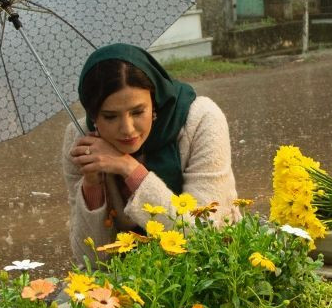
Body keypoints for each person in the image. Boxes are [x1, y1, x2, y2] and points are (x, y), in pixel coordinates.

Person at [63, 43, 239, 261]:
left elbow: (201, 235)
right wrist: (92, 185)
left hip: (211, 268)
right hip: (129, 277)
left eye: (138, 111)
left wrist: (130, 169)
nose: (127, 129)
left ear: (154, 102)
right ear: (93, 116)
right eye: (110, 116)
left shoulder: (201, 120)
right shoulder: (81, 141)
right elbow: (89, 259)